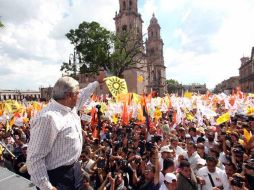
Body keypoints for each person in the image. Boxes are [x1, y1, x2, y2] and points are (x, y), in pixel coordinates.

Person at [27, 71, 105, 190]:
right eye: (77, 93)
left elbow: (84, 94)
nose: (80, 95)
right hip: (57, 178)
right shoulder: (48, 118)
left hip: (74, 170)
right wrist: (47, 187)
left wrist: (97, 83)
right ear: (69, 95)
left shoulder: (69, 107)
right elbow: (34, 157)